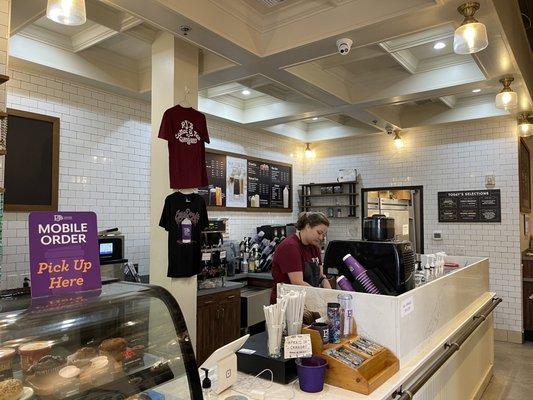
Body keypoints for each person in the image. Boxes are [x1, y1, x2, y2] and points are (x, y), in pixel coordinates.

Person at [270, 211, 331, 304]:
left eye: (323, 234)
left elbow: (321, 277)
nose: (321, 237)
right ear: (307, 226)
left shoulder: (314, 247)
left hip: (307, 301)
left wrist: (331, 295)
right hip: (287, 304)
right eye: (319, 232)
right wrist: (320, 298)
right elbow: (298, 282)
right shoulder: (290, 247)